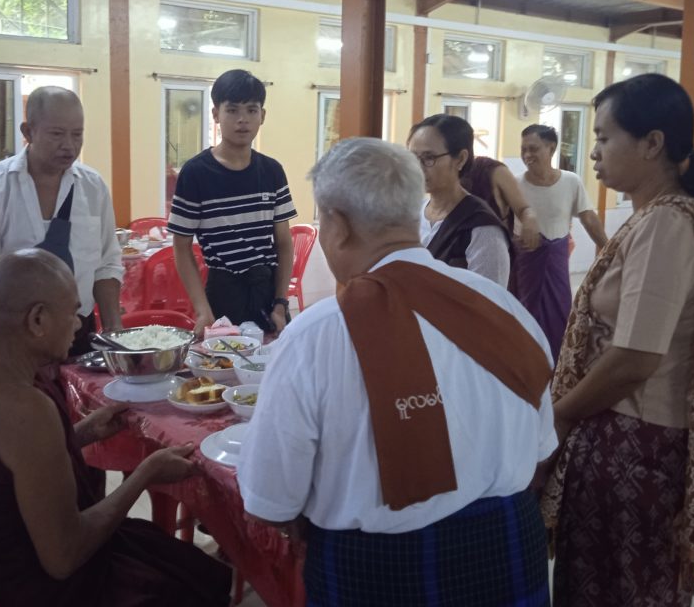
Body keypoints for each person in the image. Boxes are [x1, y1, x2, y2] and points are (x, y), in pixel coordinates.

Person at [238, 138, 556, 607]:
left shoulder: (316, 334)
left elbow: (270, 500)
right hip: (510, 551)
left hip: (379, 571)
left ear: (338, 225)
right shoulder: (507, 311)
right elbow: (541, 450)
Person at [0, 249, 232, 606]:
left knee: (170, 555)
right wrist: (145, 474)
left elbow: (11, 462)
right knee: (197, 578)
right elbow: (64, 557)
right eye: (73, 312)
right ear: (37, 320)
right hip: (29, 587)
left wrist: (82, 433)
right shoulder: (27, 410)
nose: (80, 324)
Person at [541, 74, 694, 606]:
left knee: (620, 590)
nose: (594, 153)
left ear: (652, 144)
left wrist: (559, 415)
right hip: (627, 440)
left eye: (604, 138)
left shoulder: (665, 223)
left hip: (633, 448)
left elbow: (633, 358)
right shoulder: (655, 216)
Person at [0, 86, 124, 354]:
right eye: (57, 134)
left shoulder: (93, 187)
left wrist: (115, 331)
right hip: (14, 336)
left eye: (77, 134)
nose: (69, 145)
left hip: (79, 332)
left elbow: (106, 265)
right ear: (28, 132)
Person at [168, 69, 296, 337]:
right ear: (216, 114)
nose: (242, 120)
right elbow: (181, 247)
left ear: (263, 115)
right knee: (221, 361)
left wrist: (281, 302)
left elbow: (284, 243)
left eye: (251, 110)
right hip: (222, 294)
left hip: (267, 294)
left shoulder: (272, 171)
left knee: (271, 358)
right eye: (232, 110)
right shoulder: (195, 173)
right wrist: (202, 310)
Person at [516, 124, 608, 361]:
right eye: (523, 149)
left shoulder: (570, 181)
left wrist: (610, 251)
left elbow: (588, 217)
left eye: (533, 148)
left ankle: (558, 368)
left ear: (551, 148)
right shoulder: (515, 185)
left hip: (557, 266)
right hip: (525, 268)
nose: (527, 155)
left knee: (560, 315)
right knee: (523, 317)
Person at [407, 114, 510, 286]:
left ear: (461, 159)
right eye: (413, 157)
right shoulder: (412, 215)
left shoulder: (481, 228)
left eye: (429, 158)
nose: (418, 167)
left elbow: (489, 297)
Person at [463, 153, 541, 253]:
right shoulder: (447, 175)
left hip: (494, 250)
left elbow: (524, 209)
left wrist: (530, 220)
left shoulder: (495, 171)